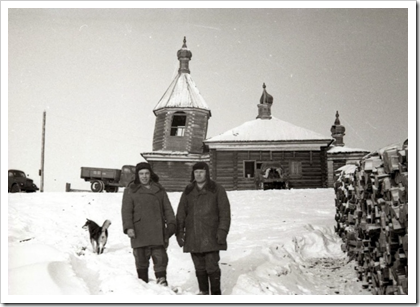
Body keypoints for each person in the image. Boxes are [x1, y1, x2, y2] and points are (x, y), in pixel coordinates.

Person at [176, 162, 231, 295]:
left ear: (207, 173)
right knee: (199, 267)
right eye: (196, 172)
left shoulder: (217, 189)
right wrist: (179, 233)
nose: (199, 174)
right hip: (193, 235)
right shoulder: (188, 190)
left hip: (211, 235)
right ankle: (204, 292)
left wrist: (222, 231)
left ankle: (216, 294)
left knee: (212, 266)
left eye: (201, 171)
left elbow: (225, 213)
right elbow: (181, 213)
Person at [121, 162, 176, 286]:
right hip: (139, 231)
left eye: (146, 173)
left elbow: (167, 208)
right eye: (141, 174)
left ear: (150, 174)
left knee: (160, 258)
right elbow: (126, 211)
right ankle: (143, 285)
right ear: (137, 175)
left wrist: (171, 223)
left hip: (157, 232)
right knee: (141, 260)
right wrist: (128, 227)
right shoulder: (131, 190)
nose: (144, 176)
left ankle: (162, 284)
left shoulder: (159, 189)